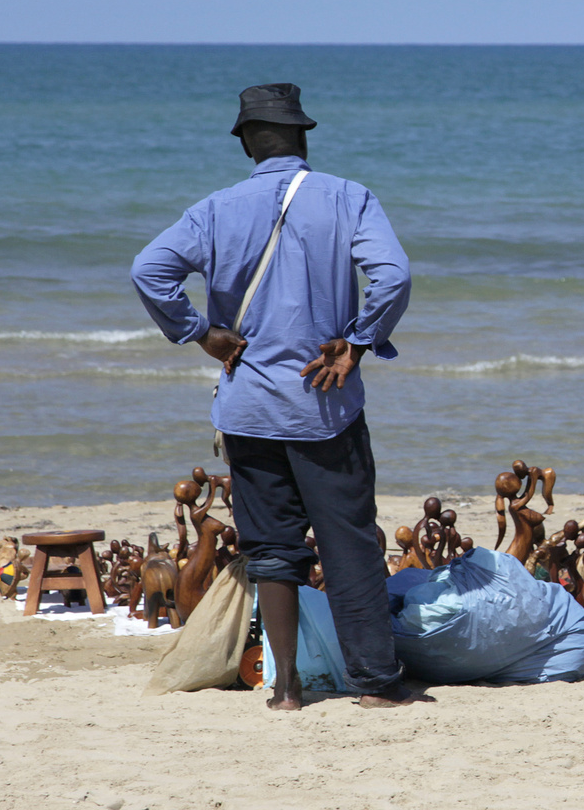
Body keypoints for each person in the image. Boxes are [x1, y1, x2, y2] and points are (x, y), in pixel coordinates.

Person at [130, 82, 425, 710]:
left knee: (272, 549)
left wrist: (199, 332)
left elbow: (148, 270)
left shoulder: (215, 210)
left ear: (245, 144)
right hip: (326, 407)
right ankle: (374, 683)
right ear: (304, 136)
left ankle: (286, 687)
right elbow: (393, 275)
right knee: (346, 542)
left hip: (249, 409)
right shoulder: (348, 198)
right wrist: (358, 341)